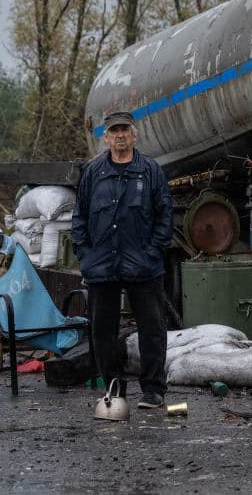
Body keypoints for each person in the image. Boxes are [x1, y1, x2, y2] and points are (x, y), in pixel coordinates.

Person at [71, 111, 173, 411]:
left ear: (134, 134)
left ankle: (153, 390)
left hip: (143, 265)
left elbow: (164, 215)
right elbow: (80, 216)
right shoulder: (94, 173)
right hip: (102, 265)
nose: (119, 135)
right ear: (106, 137)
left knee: (152, 328)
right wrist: (85, 254)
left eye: (124, 130)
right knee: (103, 331)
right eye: (113, 130)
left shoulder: (150, 171)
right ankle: (113, 387)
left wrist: (154, 250)